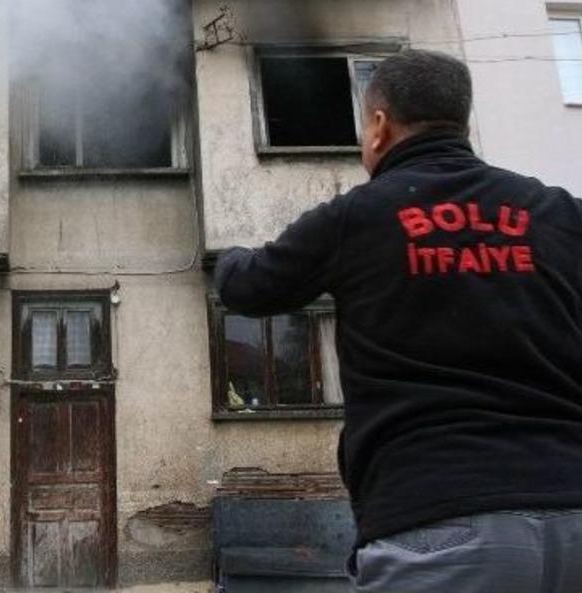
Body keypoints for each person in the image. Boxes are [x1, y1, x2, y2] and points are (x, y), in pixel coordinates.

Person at [213, 50, 582, 592]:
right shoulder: (559, 213)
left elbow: (245, 286)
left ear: (380, 126)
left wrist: (229, 255)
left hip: (437, 521)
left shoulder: (357, 217)